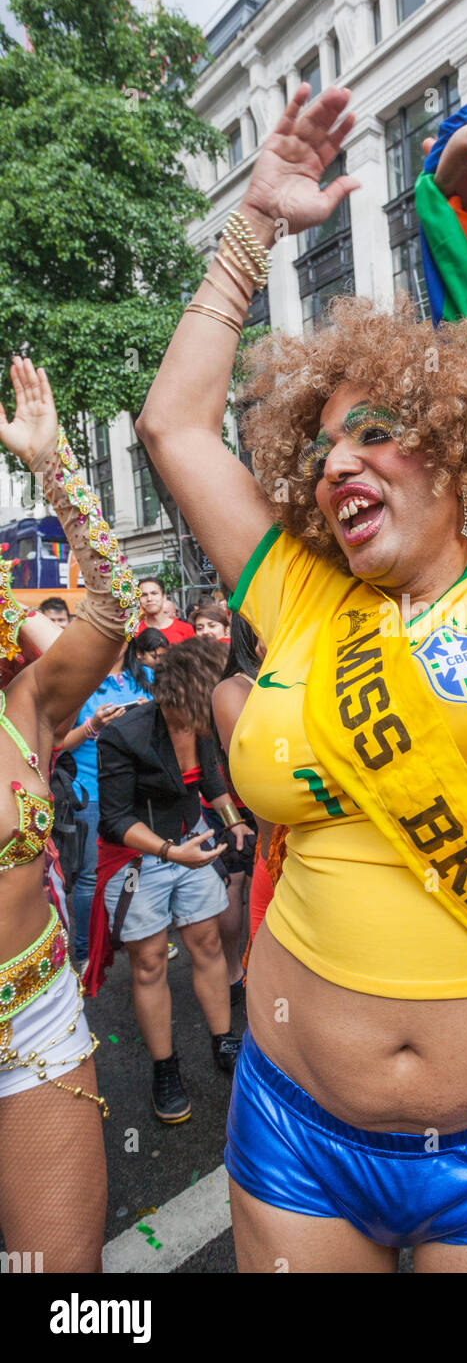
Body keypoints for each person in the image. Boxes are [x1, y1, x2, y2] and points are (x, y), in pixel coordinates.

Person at [134, 81, 467, 1271]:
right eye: (322, 443)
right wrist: (252, 227)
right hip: (290, 1134)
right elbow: (174, 425)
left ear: (457, 442)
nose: (339, 462)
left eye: (375, 429)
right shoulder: (299, 590)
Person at [0, 356, 140, 1270]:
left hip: (34, 1021)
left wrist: (54, 470)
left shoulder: (25, 706)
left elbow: (115, 605)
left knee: (62, 1293)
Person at [87, 636, 245, 1124]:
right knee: (151, 962)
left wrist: (232, 819)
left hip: (189, 840)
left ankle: (224, 1041)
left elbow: (210, 776)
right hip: (140, 856)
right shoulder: (126, 733)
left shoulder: (201, 726)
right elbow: (113, 818)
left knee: (207, 944)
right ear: (180, 697)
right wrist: (170, 853)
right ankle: (165, 1068)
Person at [58, 631, 159, 964]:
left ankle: (133, 933)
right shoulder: (78, 682)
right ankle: (85, 951)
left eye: (118, 635)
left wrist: (150, 714)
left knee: (134, 863)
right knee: (90, 875)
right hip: (91, 791)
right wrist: (93, 724)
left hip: (137, 790)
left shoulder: (144, 676)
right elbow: (60, 745)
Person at [209, 614, 265, 998]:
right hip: (240, 811)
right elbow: (209, 772)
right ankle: (233, 971)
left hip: (276, 826)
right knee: (235, 885)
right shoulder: (232, 690)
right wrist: (232, 820)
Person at [137, 576, 194, 644]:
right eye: (144, 595)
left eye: (154, 593)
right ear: (138, 600)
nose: (149, 599)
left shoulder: (186, 629)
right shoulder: (134, 632)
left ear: (164, 597)